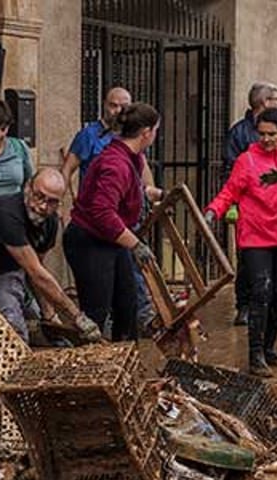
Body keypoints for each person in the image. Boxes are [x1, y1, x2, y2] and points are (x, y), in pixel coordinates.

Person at [203, 109, 277, 377]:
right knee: (260, 292)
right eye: (260, 134)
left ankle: (270, 348)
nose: (265, 139)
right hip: (255, 237)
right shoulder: (246, 160)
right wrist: (213, 211)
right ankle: (256, 354)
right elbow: (229, 191)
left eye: (271, 134)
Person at [0, 168, 101, 343]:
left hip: (4, 274)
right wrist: (77, 316)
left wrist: (48, 315)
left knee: (16, 330)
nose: (43, 206)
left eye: (52, 202)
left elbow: (38, 272)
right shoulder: (7, 213)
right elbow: (36, 273)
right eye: (39, 196)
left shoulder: (49, 223)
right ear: (28, 187)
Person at [64, 103, 163, 341]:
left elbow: (130, 189)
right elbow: (102, 212)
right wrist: (135, 244)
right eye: (156, 130)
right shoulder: (116, 163)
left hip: (111, 240)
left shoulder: (132, 157)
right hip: (90, 240)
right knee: (97, 312)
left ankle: (123, 364)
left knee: (127, 305)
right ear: (146, 132)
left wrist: (157, 194)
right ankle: (90, 367)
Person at [226, 82, 277, 327]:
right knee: (247, 260)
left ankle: (275, 306)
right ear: (264, 102)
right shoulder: (239, 133)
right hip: (249, 208)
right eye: (276, 99)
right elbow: (231, 169)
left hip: (274, 210)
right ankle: (244, 305)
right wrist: (233, 203)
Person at [62, 86, 132, 189]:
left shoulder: (132, 136)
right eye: (113, 105)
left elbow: (143, 171)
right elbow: (67, 169)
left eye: (124, 106)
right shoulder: (88, 134)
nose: (118, 111)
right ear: (105, 105)